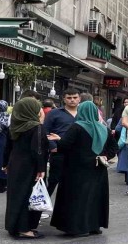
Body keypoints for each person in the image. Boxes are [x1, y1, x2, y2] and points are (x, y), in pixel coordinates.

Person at [48, 101, 118, 236]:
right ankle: (94, 226)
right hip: (98, 169)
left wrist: (59, 139)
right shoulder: (104, 128)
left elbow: (64, 145)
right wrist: (103, 157)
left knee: (77, 198)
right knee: (94, 197)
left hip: (76, 169)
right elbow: (114, 148)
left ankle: (78, 228)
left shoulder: (77, 127)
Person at [3, 97, 49, 239]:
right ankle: (24, 228)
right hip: (30, 166)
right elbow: (38, 150)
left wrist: (5, 164)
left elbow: (7, 147)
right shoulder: (36, 127)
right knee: (28, 196)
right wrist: (41, 168)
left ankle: (13, 226)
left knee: (15, 196)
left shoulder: (14, 126)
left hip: (15, 164)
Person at [43, 88, 80, 196]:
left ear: (79, 99)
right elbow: (45, 131)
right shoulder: (54, 113)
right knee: (53, 180)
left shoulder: (83, 114)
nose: (72, 100)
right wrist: (53, 147)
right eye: (69, 98)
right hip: (59, 152)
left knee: (75, 182)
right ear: (64, 99)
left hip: (78, 153)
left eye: (74, 97)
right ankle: (44, 207)